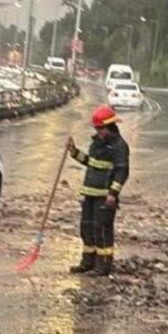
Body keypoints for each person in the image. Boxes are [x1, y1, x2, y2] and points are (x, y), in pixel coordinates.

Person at [66, 104, 130, 276]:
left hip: (105, 197)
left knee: (101, 230)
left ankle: (103, 266)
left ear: (110, 127)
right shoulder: (97, 144)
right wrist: (74, 152)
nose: (99, 132)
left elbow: (122, 171)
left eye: (101, 129)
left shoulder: (119, 146)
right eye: (97, 129)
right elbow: (90, 163)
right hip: (90, 194)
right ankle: (88, 262)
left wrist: (113, 193)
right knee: (86, 229)